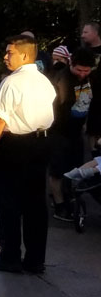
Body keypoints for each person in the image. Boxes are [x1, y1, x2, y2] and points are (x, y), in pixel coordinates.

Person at [0, 35, 56, 274]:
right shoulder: (44, 81)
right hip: (42, 142)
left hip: (17, 144)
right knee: (36, 203)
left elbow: (0, 119)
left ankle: (11, 257)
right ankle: (36, 260)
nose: (5, 57)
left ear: (24, 55)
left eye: (10, 53)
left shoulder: (11, 83)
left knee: (10, 202)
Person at [48, 48, 93, 221]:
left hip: (76, 132)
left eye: (86, 70)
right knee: (57, 171)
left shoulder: (90, 79)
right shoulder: (62, 79)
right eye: (79, 70)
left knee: (75, 168)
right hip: (58, 132)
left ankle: (69, 197)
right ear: (71, 64)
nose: (82, 74)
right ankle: (59, 205)